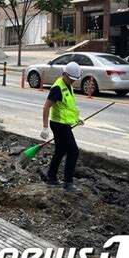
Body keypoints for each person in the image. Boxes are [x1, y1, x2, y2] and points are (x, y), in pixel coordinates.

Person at [41, 62, 85, 193]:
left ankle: (51, 177)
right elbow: (46, 106)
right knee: (73, 151)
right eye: (71, 78)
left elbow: (67, 107)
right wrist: (44, 127)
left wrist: (77, 119)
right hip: (59, 125)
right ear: (65, 74)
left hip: (64, 124)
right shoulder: (57, 88)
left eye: (75, 79)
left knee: (60, 151)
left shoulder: (68, 86)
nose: (73, 81)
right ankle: (68, 182)